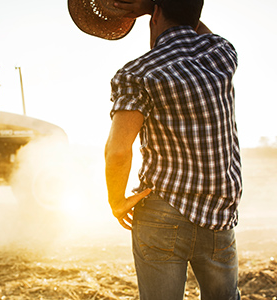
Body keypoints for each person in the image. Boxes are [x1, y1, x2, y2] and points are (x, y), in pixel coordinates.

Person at [69, 0, 243, 299]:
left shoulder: (138, 73)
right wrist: (160, 6)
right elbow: (192, 22)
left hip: (161, 212)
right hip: (218, 212)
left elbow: (118, 150)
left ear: (156, 13)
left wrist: (116, 200)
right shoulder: (221, 53)